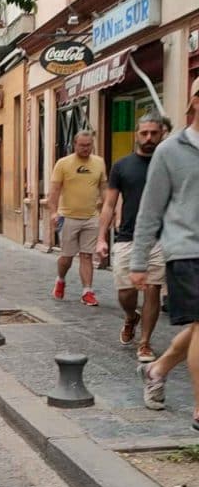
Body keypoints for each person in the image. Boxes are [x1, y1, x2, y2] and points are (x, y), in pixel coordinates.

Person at [131, 77, 199, 430]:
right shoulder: (170, 151)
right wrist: (139, 260)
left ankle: (157, 370)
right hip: (186, 250)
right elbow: (150, 209)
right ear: (195, 102)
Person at [96, 113, 165, 363]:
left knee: (153, 290)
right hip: (127, 237)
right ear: (136, 134)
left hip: (160, 238)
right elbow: (109, 204)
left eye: (154, 133)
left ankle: (145, 343)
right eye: (144, 133)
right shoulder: (122, 166)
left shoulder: (167, 163)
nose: (149, 138)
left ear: (162, 134)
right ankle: (130, 316)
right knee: (126, 293)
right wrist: (102, 238)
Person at [48, 130, 107, 306]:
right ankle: (61, 279)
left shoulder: (99, 163)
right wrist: (53, 212)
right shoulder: (63, 164)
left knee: (87, 255)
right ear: (75, 145)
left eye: (89, 145)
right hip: (68, 217)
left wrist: (107, 208)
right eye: (82, 145)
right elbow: (54, 190)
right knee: (66, 256)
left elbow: (104, 187)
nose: (85, 148)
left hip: (91, 217)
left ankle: (87, 291)